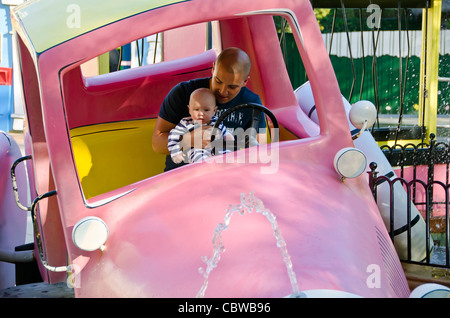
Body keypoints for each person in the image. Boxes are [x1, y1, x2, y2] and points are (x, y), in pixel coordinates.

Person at [152, 47, 267, 171]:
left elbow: (260, 151)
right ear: (213, 69)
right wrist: (188, 140)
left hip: (224, 178)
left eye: (232, 87)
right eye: (218, 81)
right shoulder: (183, 93)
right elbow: (157, 144)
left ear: (245, 81)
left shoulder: (252, 104)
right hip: (181, 177)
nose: (223, 91)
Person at [168, 88, 234, 164]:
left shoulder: (216, 121)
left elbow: (223, 130)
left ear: (214, 111)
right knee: (199, 158)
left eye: (206, 110)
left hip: (217, 148)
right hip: (198, 150)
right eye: (196, 109)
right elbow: (173, 136)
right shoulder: (186, 123)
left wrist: (227, 136)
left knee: (229, 155)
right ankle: (206, 170)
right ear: (189, 109)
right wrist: (176, 152)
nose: (201, 114)